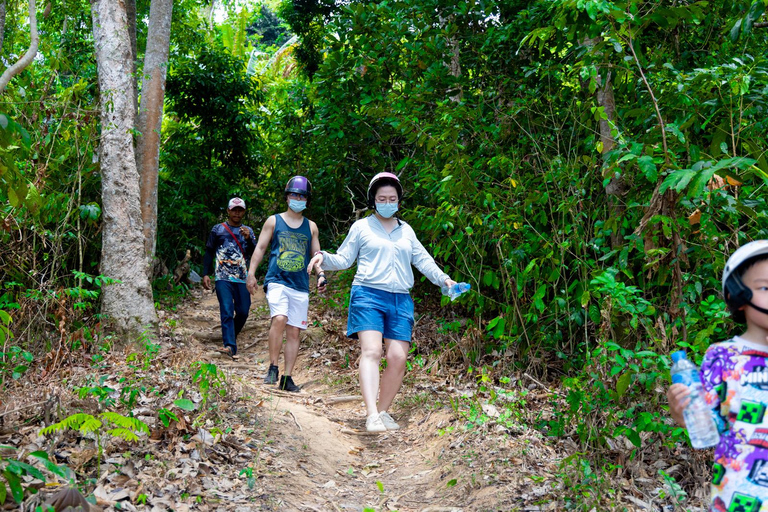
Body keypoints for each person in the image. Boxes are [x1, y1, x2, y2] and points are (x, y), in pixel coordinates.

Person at [307, 172, 458, 432]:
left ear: (399, 200)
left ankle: (384, 410)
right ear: (373, 200)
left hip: (400, 298)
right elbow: (344, 259)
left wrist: (445, 280)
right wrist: (322, 257)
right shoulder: (362, 227)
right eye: (382, 198)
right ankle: (371, 414)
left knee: (398, 357)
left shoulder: (406, 230)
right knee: (373, 351)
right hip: (368, 294)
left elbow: (423, 260)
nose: (388, 202)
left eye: (392, 198)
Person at [667, 240, 768, 511]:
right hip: (738, 497)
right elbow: (710, 426)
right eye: (765, 287)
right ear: (738, 296)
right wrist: (682, 413)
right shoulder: (722, 356)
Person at [246, 176, 325, 392]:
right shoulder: (274, 221)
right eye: (294, 195)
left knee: (294, 332)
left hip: (300, 284)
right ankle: (273, 366)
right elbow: (261, 248)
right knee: (279, 318)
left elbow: (316, 254)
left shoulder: (311, 227)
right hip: (277, 280)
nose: (297, 199)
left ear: (307, 200)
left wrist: (320, 274)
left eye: (302, 196)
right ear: (287, 197)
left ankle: (287, 377)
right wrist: (251, 273)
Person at [202, 197, 256, 360]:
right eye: (234, 210)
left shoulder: (248, 231)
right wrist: (206, 273)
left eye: (240, 210)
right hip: (222, 277)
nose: (237, 213)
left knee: (243, 311)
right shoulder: (218, 229)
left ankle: (232, 333)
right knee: (226, 309)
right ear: (228, 211)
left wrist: (249, 239)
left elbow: (255, 253)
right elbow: (209, 251)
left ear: (244, 212)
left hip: (242, 278)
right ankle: (230, 346)